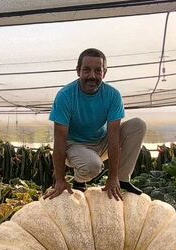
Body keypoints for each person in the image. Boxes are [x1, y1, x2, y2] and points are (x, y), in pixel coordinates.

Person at [44, 48, 147, 201]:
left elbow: (113, 138)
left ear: (104, 73)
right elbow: (59, 141)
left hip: (101, 142)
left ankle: (122, 179)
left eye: (98, 70)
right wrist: (60, 179)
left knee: (138, 125)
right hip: (74, 146)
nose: (92, 76)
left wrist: (113, 177)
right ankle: (79, 181)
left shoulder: (113, 95)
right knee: (93, 165)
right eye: (86, 70)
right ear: (78, 71)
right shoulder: (65, 96)